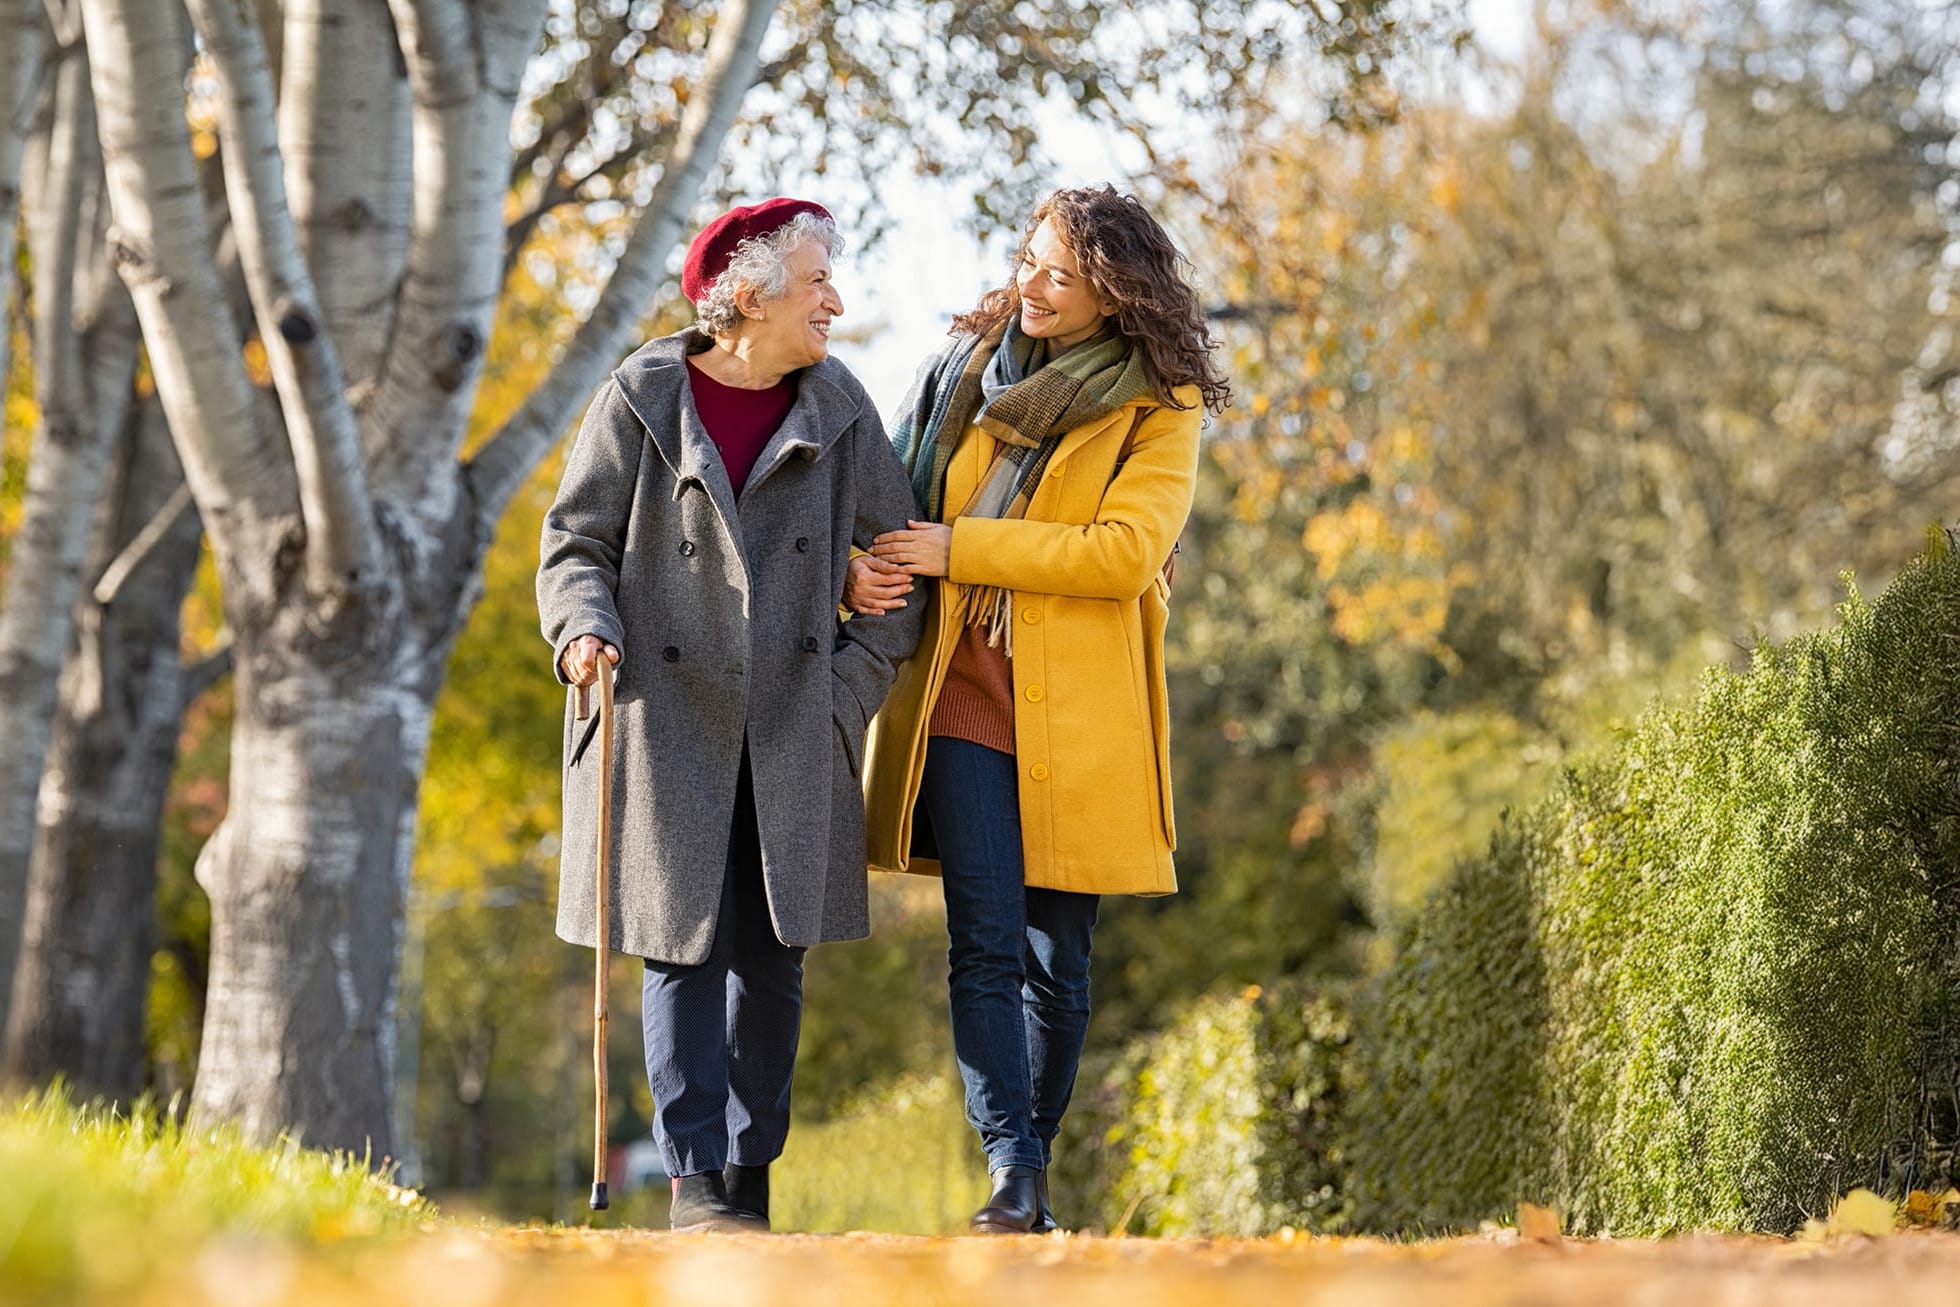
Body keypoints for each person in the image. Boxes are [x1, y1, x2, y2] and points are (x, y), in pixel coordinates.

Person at [538, 198, 926, 1233]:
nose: (836, 303)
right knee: (682, 947)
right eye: (816, 284)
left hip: (795, 721)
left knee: (771, 954)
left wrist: (845, 696)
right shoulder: (641, 397)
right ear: (746, 299)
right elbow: (575, 544)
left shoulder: (839, 405)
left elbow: (900, 571)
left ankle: (751, 1177)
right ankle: (696, 1177)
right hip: (665, 717)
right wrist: (581, 628)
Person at [848, 185, 1230, 1234]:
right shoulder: (965, 371)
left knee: (1059, 959)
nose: (1032, 286)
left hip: (1081, 713)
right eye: (1028, 259)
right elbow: (887, 489)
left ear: (1115, 296)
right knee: (983, 939)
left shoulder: (1159, 407)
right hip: (963, 689)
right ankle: (1011, 1171)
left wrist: (962, 548)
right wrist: (860, 559)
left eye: (1060, 275)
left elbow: (1121, 554)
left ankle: (1034, 1163)